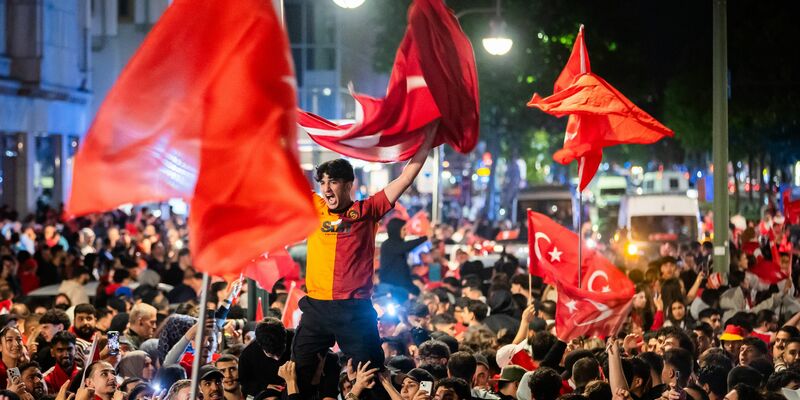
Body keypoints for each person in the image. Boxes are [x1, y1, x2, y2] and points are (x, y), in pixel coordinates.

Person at [293, 130, 435, 398]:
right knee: (298, 372)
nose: (325, 188)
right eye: (322, 182)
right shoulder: (314, 206)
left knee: (373, 377)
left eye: (332, 181)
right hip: (316, 307)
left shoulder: (369, 210)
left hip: (355, 311)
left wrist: (429, 138)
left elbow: (406, 177)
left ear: (348, 184)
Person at [380, 218, 428, 298]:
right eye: (404, 229)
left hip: (402, 287)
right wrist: (424, 238)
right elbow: (405, 247)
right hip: (389, 289)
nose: (406, 233)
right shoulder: (388, 245)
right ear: (396, 230)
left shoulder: (398, 245)